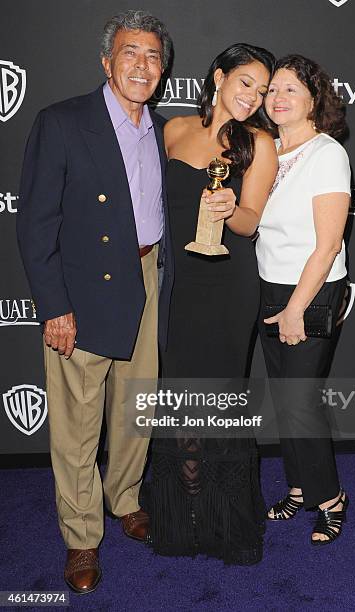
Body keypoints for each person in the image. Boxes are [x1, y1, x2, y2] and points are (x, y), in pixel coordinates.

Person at [16, 11, 173, 593]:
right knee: (77, 426)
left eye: (153, 56)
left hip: (148, 276)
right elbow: (35, 226)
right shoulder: (62, 122)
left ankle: (124, 497)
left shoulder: (159, 128)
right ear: (107, 62)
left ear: (163, 69)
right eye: (131, 53)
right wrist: (54, 305)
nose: (142, 64)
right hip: (83, 289)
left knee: (138, 405)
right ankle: (81, 537)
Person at [148, 43, 278, 565]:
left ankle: (228, 526)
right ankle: (183, 519)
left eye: (263, 90)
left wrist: (230, 210)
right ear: (219, 76)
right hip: (178, 287)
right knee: (178, 402)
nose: (253, 97)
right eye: (246, 82)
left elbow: (252, 220)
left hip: (228, 289)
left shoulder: (259, 143)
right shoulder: (172, 130)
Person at [257, 54, 351, 545]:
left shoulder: (327, 154)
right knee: (284, 399)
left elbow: (328, 243)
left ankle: (332, 498)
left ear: (315, 99)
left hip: (310, 291)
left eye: (291, 88)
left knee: (300, 402)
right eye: (273, 88)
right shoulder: (267, 150)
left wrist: (296, 308)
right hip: (268, 285)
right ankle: (299, 485)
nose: (278, 97)